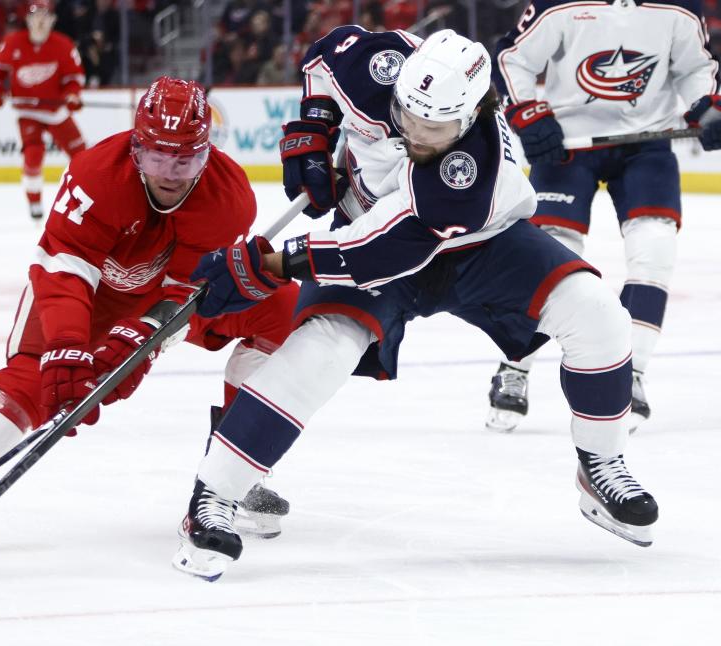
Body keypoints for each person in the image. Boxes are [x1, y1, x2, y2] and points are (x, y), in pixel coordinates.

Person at [171, 28, 659, 582]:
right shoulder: (381, 64)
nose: (417, 134)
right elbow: (325, 59)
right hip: (372, 230)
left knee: (596, 312)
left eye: (436, 128)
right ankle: (213, 495)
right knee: (318, 352)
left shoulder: (466, 173)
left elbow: (383, 248)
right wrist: (313, 128)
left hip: (476, 244)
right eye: (409, 117)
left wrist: (275, 263)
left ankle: (601, 462)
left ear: (473, 114)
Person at [0, 76, 299, 555]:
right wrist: (67, 343)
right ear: (135, 147)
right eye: (156, 156)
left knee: (284, 312)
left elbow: (187, 295)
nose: (170, 172)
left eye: (185, 159)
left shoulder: (228, 199)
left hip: (168, 300)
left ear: (207, 154)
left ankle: (230, 474)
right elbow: (62, 268)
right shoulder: (95, 176)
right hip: (89, 294)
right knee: (33, 382)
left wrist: (138, 346)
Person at [485, 0, 721, 434]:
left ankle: (629, 374)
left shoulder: (680, 7)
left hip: (647, 144)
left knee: (654, 250)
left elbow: (693, 66)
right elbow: (512, 58)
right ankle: (514, 366)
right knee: (549, 256)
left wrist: (707, 106)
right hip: (568, 146)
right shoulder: (560, 5)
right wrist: (528, 114)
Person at [0, 0, 87, 220]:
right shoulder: (13, 43)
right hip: (28, 111)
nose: (40, 22)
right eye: (36, 17)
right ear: (28, 20)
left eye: (45, 17)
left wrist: (72, 95)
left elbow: (74, 78)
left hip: (56, 111)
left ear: (52, 20)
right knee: (33, 153)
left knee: (82, 157)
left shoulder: (63, 45)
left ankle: (89, 197)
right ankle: (34, 203)